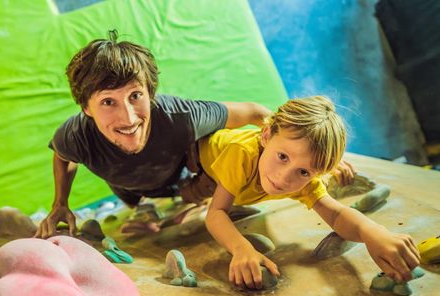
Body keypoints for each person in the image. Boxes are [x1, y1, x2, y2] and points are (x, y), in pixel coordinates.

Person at [34, 30, 274, 238]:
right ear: (86, 108)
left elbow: (254, 112)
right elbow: (62, 156)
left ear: (150, 94)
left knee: (216, 156)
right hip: (128, 189)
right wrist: (60, 203)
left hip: (183, 177)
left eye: (135, 96)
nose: (128, 119)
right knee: (139, 212)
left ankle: (195, 200)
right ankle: (147, 206)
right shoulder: (76, 136)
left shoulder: (181, 117)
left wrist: (285, 150)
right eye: (108, 102)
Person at [200, 96, 420, 289]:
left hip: (239, 175)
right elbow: (216, 212)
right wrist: (241, 248)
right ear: (265, 136)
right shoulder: (241, 154)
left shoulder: (306, 181)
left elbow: (335, 213)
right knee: (192, 192)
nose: (285, 178)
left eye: (304, 171)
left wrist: (371, 232)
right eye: (282, 157)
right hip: (192, 157)